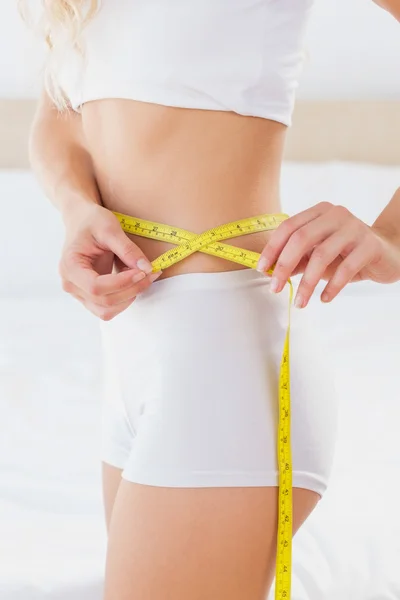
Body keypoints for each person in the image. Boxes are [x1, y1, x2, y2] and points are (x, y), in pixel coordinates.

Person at [24, 1, 400, 598]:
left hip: (225, 357)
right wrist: (77, 208)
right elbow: (61, 116)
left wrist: (390, 237)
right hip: (130, 354)